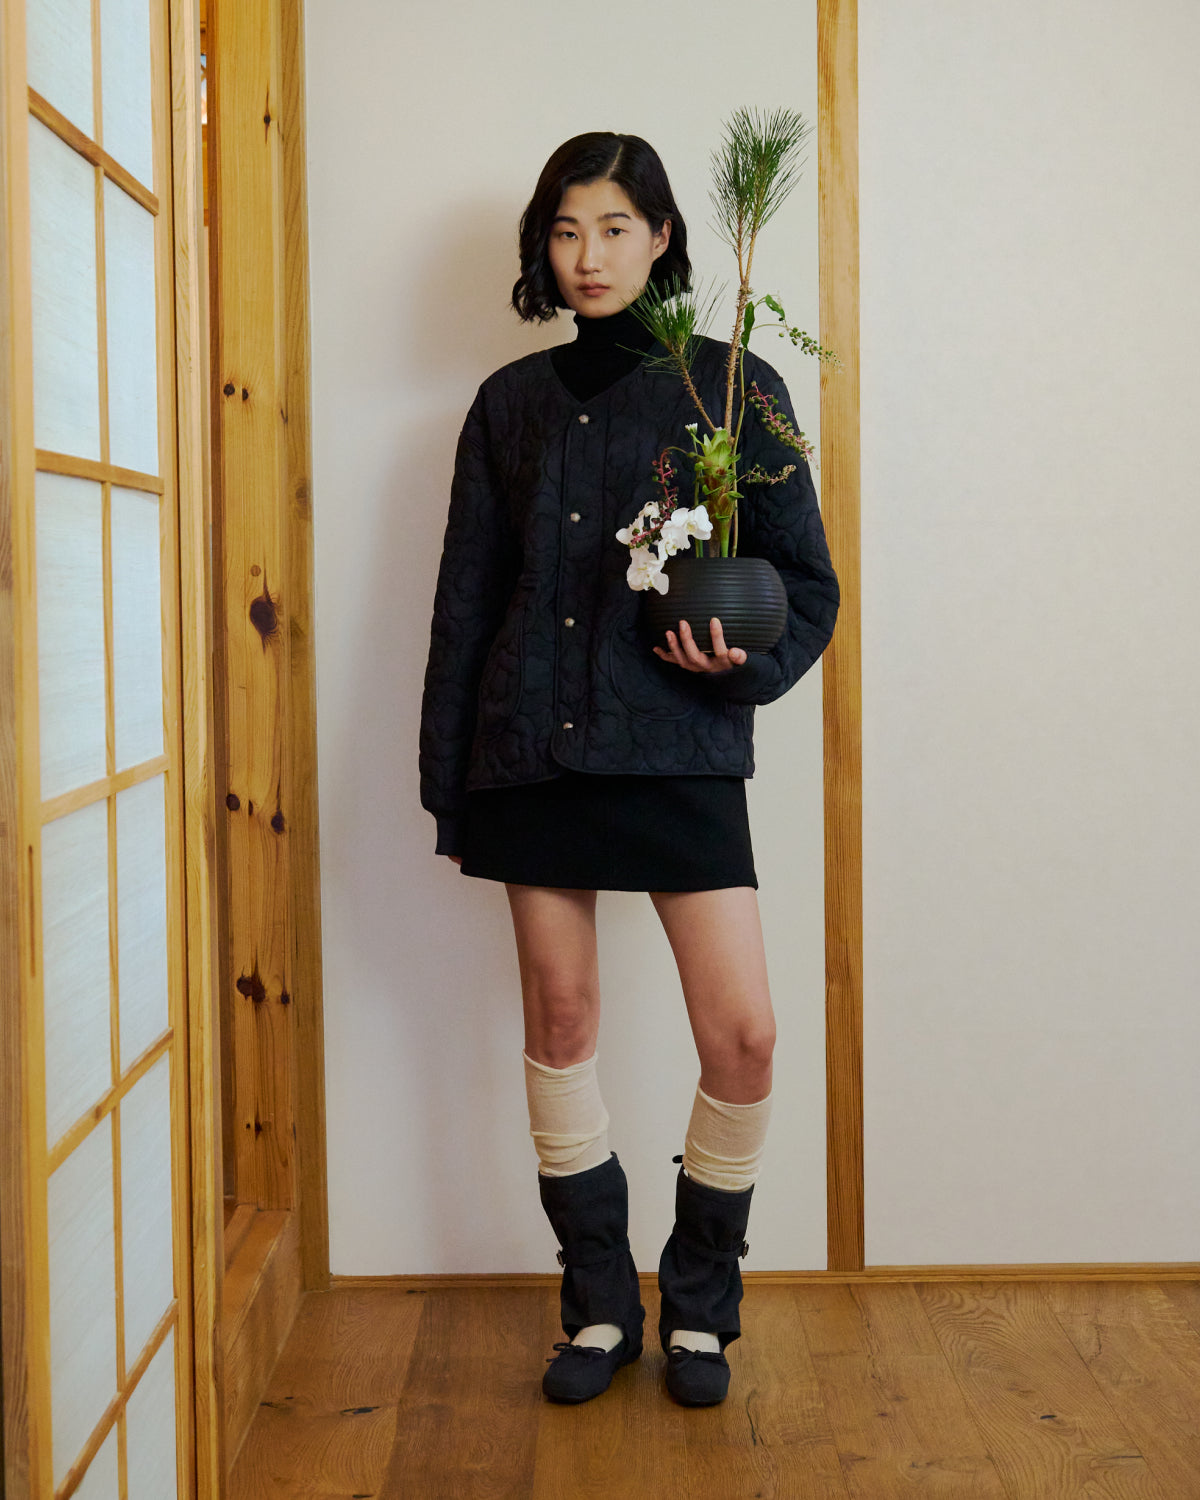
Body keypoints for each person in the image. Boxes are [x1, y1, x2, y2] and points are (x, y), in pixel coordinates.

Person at [419, 131, 839, 1407]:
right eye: (565, 230)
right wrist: (453, 780)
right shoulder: (508, 403)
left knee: (748, 1037)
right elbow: (467, 602)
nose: (587, 255)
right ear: (543, 249)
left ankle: (702, 1304)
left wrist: (742, 667)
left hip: (679, 750)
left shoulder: (733, 388)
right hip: (532, 752)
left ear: (663, 238)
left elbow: (809, 587)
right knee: (561, 1023)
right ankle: (598, 1308)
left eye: (613, 227)